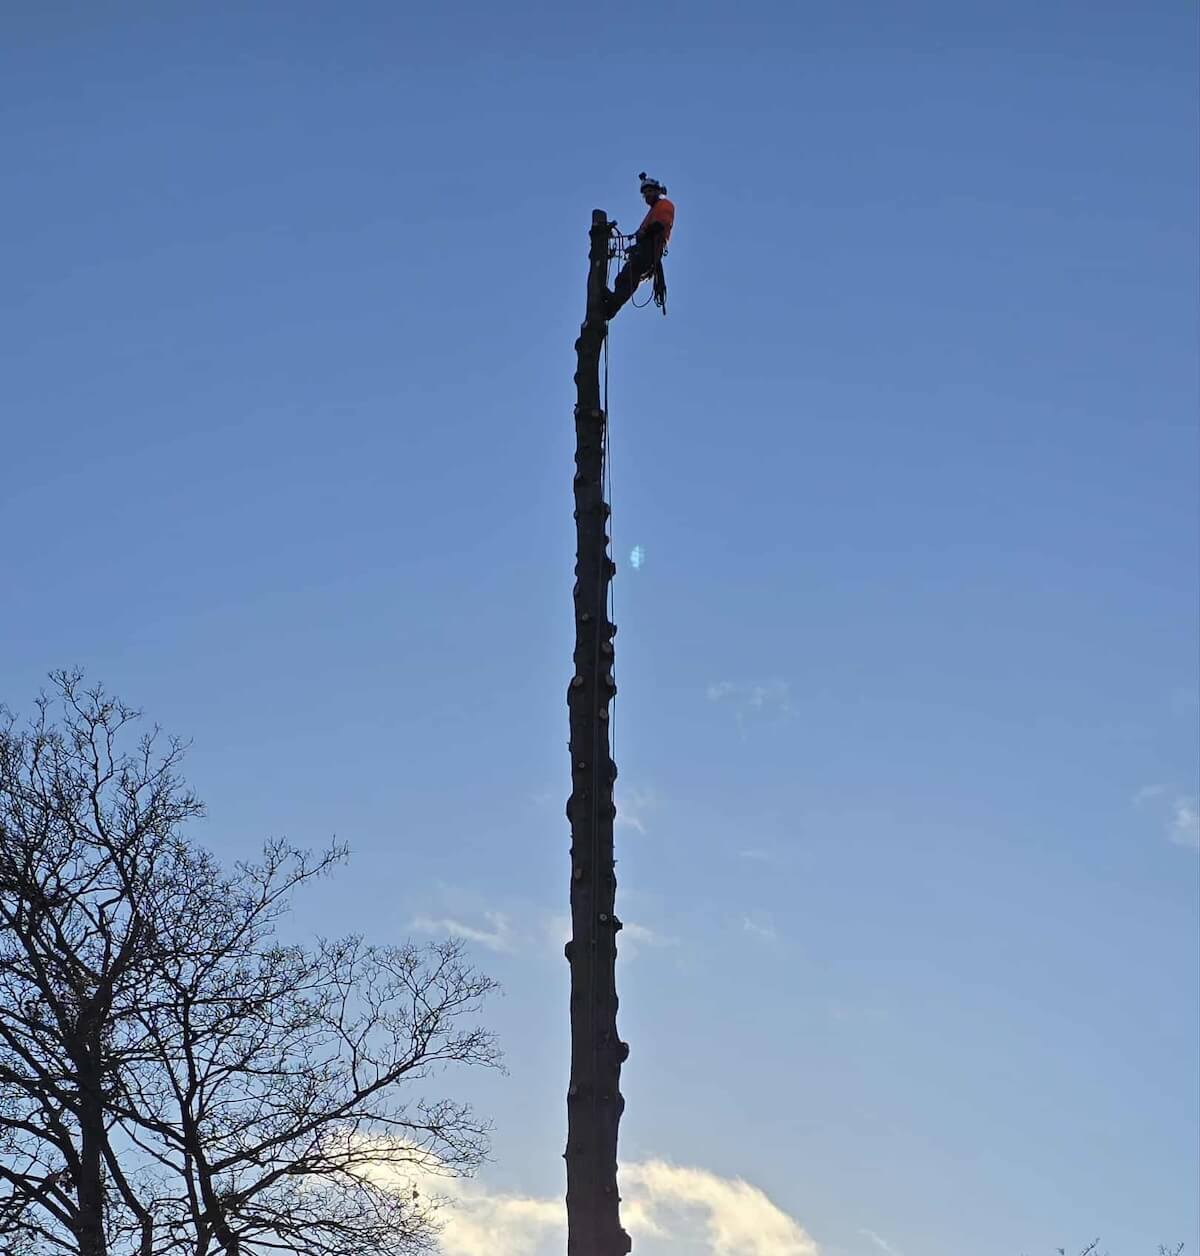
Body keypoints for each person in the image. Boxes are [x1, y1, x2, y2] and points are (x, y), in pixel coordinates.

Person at [603, 173, 674, 319]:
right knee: (625, 277)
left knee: (629, 276)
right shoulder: (654, 210)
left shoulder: (665, 205)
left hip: (651, 247)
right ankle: (610, 306)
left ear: (658, 191)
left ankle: (612, 304)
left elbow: (660, 225)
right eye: (645, 193)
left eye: (650, 191)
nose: (647, 195)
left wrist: (645, 233)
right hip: (646, 248)